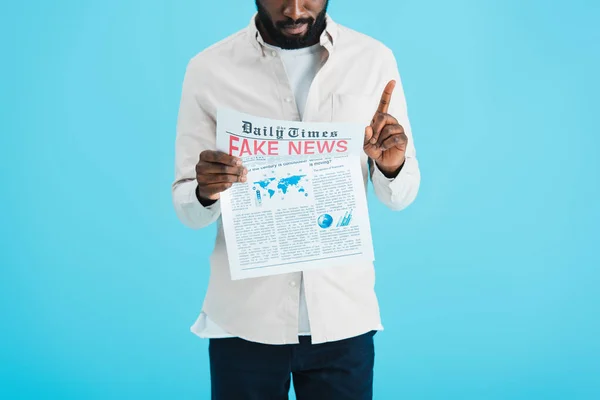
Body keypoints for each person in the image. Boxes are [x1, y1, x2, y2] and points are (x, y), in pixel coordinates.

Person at [172, 1, 420, 398]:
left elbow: (402, 196)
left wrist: (393, 166)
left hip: (343, 316)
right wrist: (204, 191)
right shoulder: (208, 69)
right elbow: (188, 208)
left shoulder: (373, 61)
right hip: (243, 319)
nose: (294, 10)